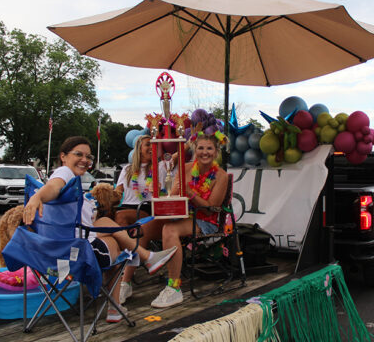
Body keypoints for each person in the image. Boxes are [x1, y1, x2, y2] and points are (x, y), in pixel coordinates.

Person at [23, 136, 177, 322]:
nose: (85, 160)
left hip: (49, 254)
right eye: (78, 154)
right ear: (63, 157)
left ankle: (144, 262)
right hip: (75, 255)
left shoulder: (70, 179)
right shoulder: (64, 173)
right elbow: (53, 187)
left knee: (107, 224)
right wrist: (37, 197)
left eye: (88, 156)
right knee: (115, 245)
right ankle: (118, 302)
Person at [122, 133, 228, 308]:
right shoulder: (185, 168)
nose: (204, 152)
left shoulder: (221, 176)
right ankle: (125, 284)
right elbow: (174, 195)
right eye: (201, 148)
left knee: (169, 230)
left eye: (209, 148)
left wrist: (190, 193)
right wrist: (163, 195)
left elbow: (211, 208)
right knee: (142, 228)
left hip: (205, 220)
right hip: (180, 215)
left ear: (216, 152)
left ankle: (174, 287)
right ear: (195, 150)